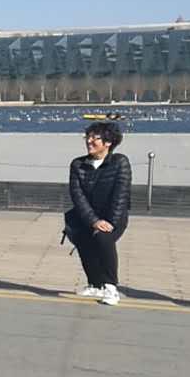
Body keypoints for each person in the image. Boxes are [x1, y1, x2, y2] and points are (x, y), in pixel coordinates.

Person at [65, 122, 131, 306]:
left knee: (103, 238)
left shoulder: (120, 162)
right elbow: (77, 196)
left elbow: (121, 196)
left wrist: (109, 222)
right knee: (80, 236)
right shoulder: (77, 164)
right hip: (88, 217)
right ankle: (95, 284)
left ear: (108, 142)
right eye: (88, 137)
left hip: (113, 217)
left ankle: (110, 288)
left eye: (95, 138)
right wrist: (93, 221)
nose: (89, 141)